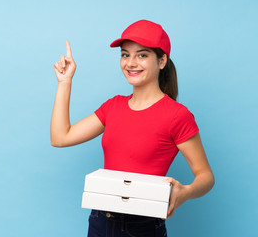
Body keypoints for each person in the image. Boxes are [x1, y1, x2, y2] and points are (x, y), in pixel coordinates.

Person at [51, 20, 214, 237]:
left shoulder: (177, 115)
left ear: (162, 60)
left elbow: (205, 176)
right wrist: (65, 82)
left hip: (142, 225)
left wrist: (185, 192)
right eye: (125, 54)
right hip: (100, 219)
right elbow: (60, 138)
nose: (131, 63)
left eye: (142, 55)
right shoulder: (113, 106)